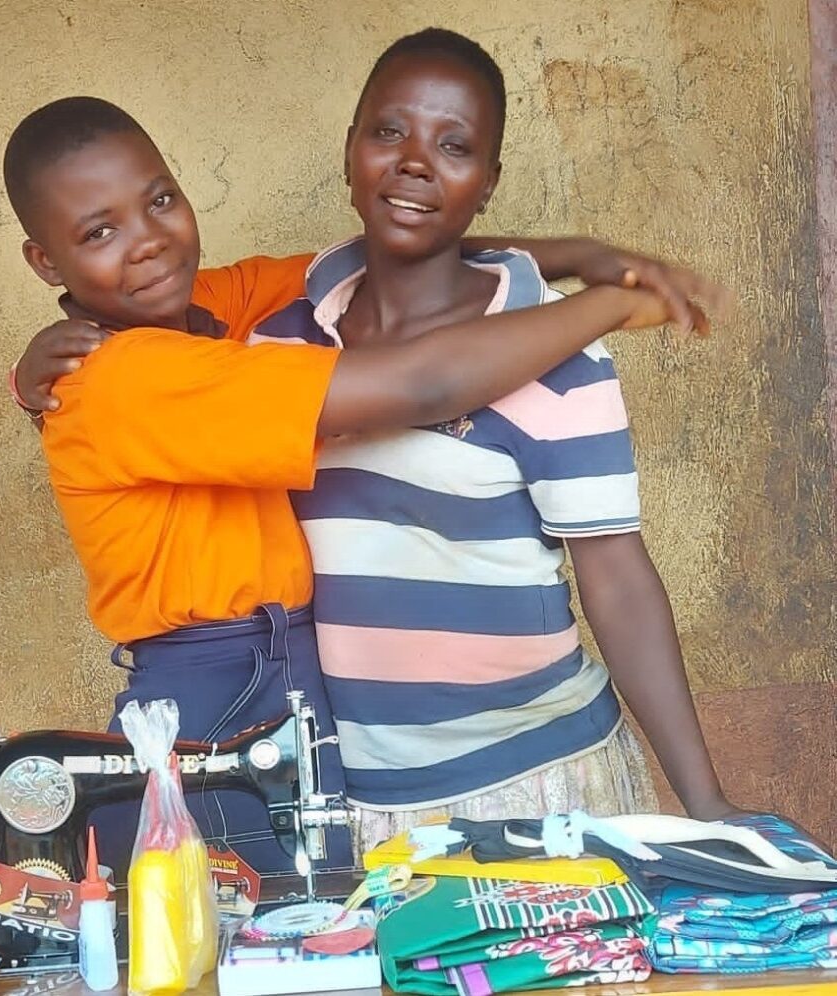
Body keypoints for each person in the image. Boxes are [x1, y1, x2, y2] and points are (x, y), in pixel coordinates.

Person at [3, 95, 719, 878]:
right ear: (46, 263)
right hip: (217, 693)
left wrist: (575, 252)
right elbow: (422, 386)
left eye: (160, 201)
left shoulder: (209, 304)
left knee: (309, 921)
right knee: (256, 929)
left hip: (294, 672)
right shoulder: (126, 376)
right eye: (98, 232)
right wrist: (607, 302)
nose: (146, 244)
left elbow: (405, 255)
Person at [246, 28, 743, 856]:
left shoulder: (556, 350)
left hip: (540, 784)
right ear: (348, 151)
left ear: (487, 183)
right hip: (349, 800)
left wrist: (708, 807)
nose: (414, 162)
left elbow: (615, 579)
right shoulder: (279, 345)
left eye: (454, 145)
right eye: (388, 131)